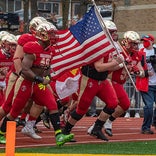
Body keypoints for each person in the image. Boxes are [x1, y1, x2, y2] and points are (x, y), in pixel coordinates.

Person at [0, 22, 74, 146]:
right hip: (26, 82)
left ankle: (59, 135)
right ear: (42, 34)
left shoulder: (50, 50)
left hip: (38, 84)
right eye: (51, 34)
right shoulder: (31, 47)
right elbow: (25, 69)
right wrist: (40, 79)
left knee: (52, 105)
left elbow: (47, 68)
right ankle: (1, 133)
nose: (53, 36)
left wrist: (48, 76)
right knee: (14, 111)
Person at [62, 22, 124, 141]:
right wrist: (116, 62)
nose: (115, 34)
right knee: (82, 109)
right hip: (90, 79)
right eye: (112, 32)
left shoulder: (110, 45)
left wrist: (121, 64)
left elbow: (109, 67)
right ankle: (65, 131)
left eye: (115, 31)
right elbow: (99, 67)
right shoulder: (98, 46)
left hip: (102, 79)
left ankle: (96, 128)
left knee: (113, 103)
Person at [88, 22, 145, 137]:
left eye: (136, 44)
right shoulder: (118, 51)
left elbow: (142, 72)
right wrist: (121, 65)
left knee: (123, 105)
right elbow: (109, 68)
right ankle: (100, 125)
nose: (135, 46)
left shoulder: (136, 55)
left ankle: (103, 124)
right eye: (133, 43)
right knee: (122, 103)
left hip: (121, 83)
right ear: (126, 41)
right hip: (111, 81)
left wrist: (138, 72)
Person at [137, 34, 156, 134]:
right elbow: (135, 67)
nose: (144, 42)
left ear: (152, 41)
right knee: (149, 106)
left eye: (146, 40)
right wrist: (145, 73)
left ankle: (155, 122)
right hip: (146, 84)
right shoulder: (140, 53)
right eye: (143, 40)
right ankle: (145, 127)